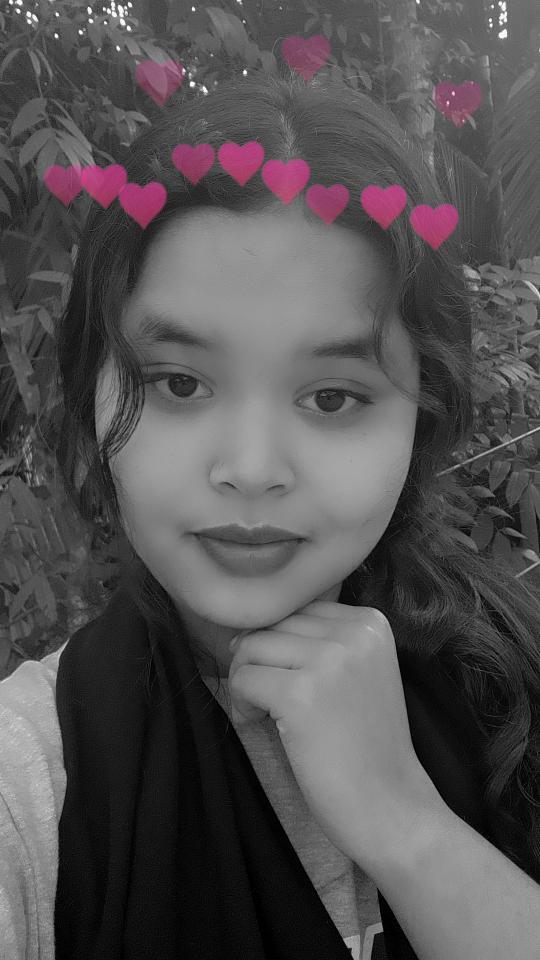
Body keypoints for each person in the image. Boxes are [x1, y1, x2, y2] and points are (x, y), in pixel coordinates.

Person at [1, 68, 540, 960]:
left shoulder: (511, 676)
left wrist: (406, 825)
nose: (251, 471)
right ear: (90, 400)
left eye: (332, 397)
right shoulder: (34, 778)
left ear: (421, 419)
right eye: (178, 384)